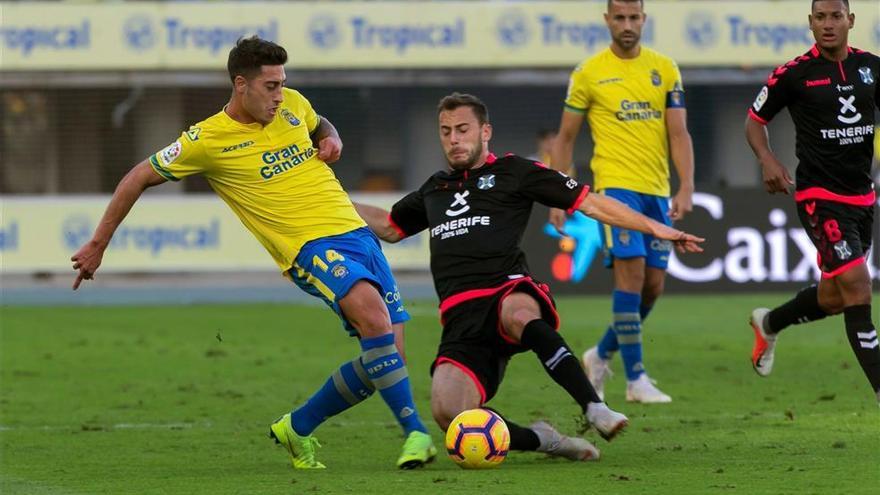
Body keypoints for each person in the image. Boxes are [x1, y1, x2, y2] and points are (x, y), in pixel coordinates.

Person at [69, 36, 437, 470]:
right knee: (374, 318)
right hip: (307, 247)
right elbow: (136, 177)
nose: (279, 95)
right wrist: (98, 242)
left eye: (282, 84)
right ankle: (416, 434)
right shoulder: (206, 140)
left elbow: (321, 124)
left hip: (358, 235)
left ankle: (297, 428)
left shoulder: (292, 105)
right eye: (270, 87)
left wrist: (331, 138)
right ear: (241, 85)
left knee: (386, 357)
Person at [355, 93, 704, 461]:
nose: (454, 139)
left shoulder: (515, 171)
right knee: (450, 415)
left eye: (462, 129)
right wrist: (332, 199)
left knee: (520, 314)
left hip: (506, 287)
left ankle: (593, 406)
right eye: (446, 132)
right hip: (460, 316)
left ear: (485, 131)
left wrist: (656, 228)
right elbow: (391, 227)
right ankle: (546, 440)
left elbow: (591, 202)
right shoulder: (434, 188)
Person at [548, 0, 695, 403]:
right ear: (608, 21)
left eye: (634, 17)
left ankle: (600, 354)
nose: (627, 24)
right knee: (630, 278)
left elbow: (679, 134)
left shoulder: (665, 68)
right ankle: (636, 379)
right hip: (615, 190)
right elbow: (564, 138)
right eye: (620, 17)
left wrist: (685, 187)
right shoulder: (588, 73)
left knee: (653, 287)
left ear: (644, 20)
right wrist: (559, 194)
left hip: (657, 191)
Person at [744, 0, 879, 403]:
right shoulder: (794, 74)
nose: (828, 24)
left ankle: (769, 322)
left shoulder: (872, 67)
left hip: (862, 197)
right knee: (858, 287)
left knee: (835, 297)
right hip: (818, 195)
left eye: (835, 16)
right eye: (820, 17)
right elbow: (754, 122)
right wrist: (767, 159)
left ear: (850, 20)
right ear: (810, 23)